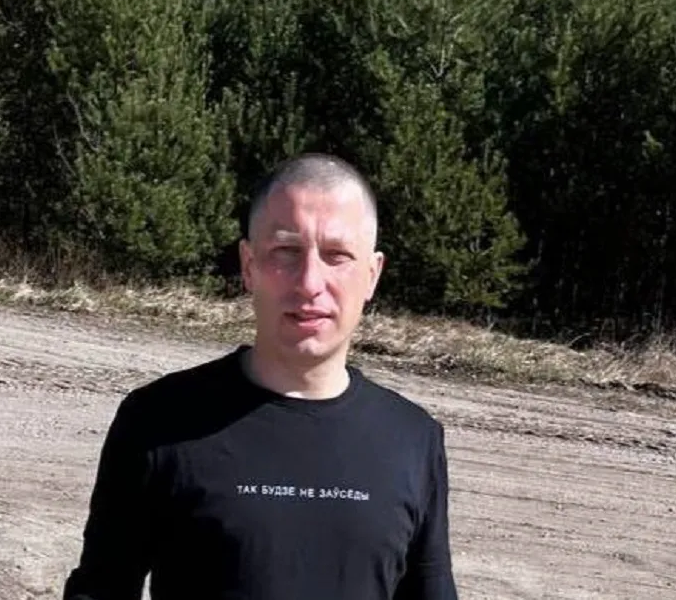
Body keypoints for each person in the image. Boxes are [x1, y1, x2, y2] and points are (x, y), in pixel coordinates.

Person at [61, 152, 458, 600]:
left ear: (372, 275)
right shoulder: (159, 419)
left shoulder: (413, 439)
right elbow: (101, 587)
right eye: (286, 252)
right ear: (249, 265)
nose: (310, 283)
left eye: (337, 256)